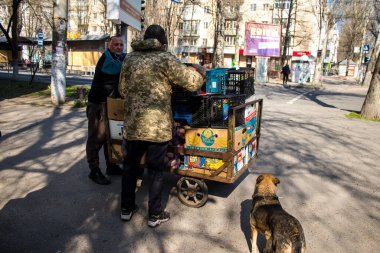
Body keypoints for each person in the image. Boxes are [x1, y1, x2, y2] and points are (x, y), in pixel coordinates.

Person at [118, 24, 205, 227]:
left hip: (133, 126)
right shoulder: (165, 59)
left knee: (130, 168)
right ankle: (154, 215)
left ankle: (126, 208)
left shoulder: (129, 58)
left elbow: (122, 90)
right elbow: (192, 83)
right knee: (156, 171)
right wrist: (201, 72)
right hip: (157, 128)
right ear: (163, 41)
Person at [86, 35, 126, 185]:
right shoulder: (106, 59)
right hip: (98, 104)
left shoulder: (119, 57)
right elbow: (117, 69)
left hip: (109, 103)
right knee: (96, 138)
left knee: (110, 136)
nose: (119, 47)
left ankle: (112, 166)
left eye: (121, 45)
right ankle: (94, 170)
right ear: (109, 46)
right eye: (115, 44)